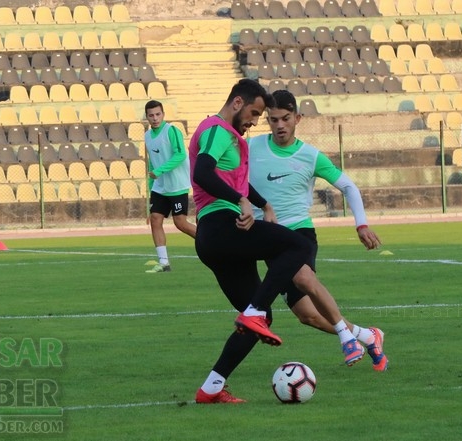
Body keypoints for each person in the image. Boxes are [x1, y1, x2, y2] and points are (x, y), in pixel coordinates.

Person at [190, 79, 373, 404]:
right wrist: (241, 200)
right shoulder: (218, 130)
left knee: (262, 320)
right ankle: (255, 312)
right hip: (221, 227)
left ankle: (212, 388)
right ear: (237, 104)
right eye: (255, 113)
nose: (255, 121)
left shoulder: (230, 138)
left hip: (214, 237)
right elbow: (203, 173)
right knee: (298, 247)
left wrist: (262, 204)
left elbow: (234, 182)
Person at [248, 89, 387, 372]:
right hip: (268, 239)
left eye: (285, 118)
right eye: (273, 120)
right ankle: (366, 335)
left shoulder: (310, 156)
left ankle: (347, 339)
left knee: (301, 275)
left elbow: (349, 185)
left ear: (297, 118)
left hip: (300, 233)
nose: (280, 125)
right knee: (306, 315)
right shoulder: (252, 148)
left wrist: (361, 224)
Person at [143, 100, 197, 273]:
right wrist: (153, 184)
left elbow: (181, 154)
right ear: (147, 117)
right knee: (155, 219)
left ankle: (213, 245)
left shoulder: (171, 130)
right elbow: (152, 163)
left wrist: (160, 170)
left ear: (163, 114)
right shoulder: (147, 136)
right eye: (151, 115)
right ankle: (164, 263)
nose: (155, 118)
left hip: (177, 185)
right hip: (160, 186)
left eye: (158, 114)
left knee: (180, 223)